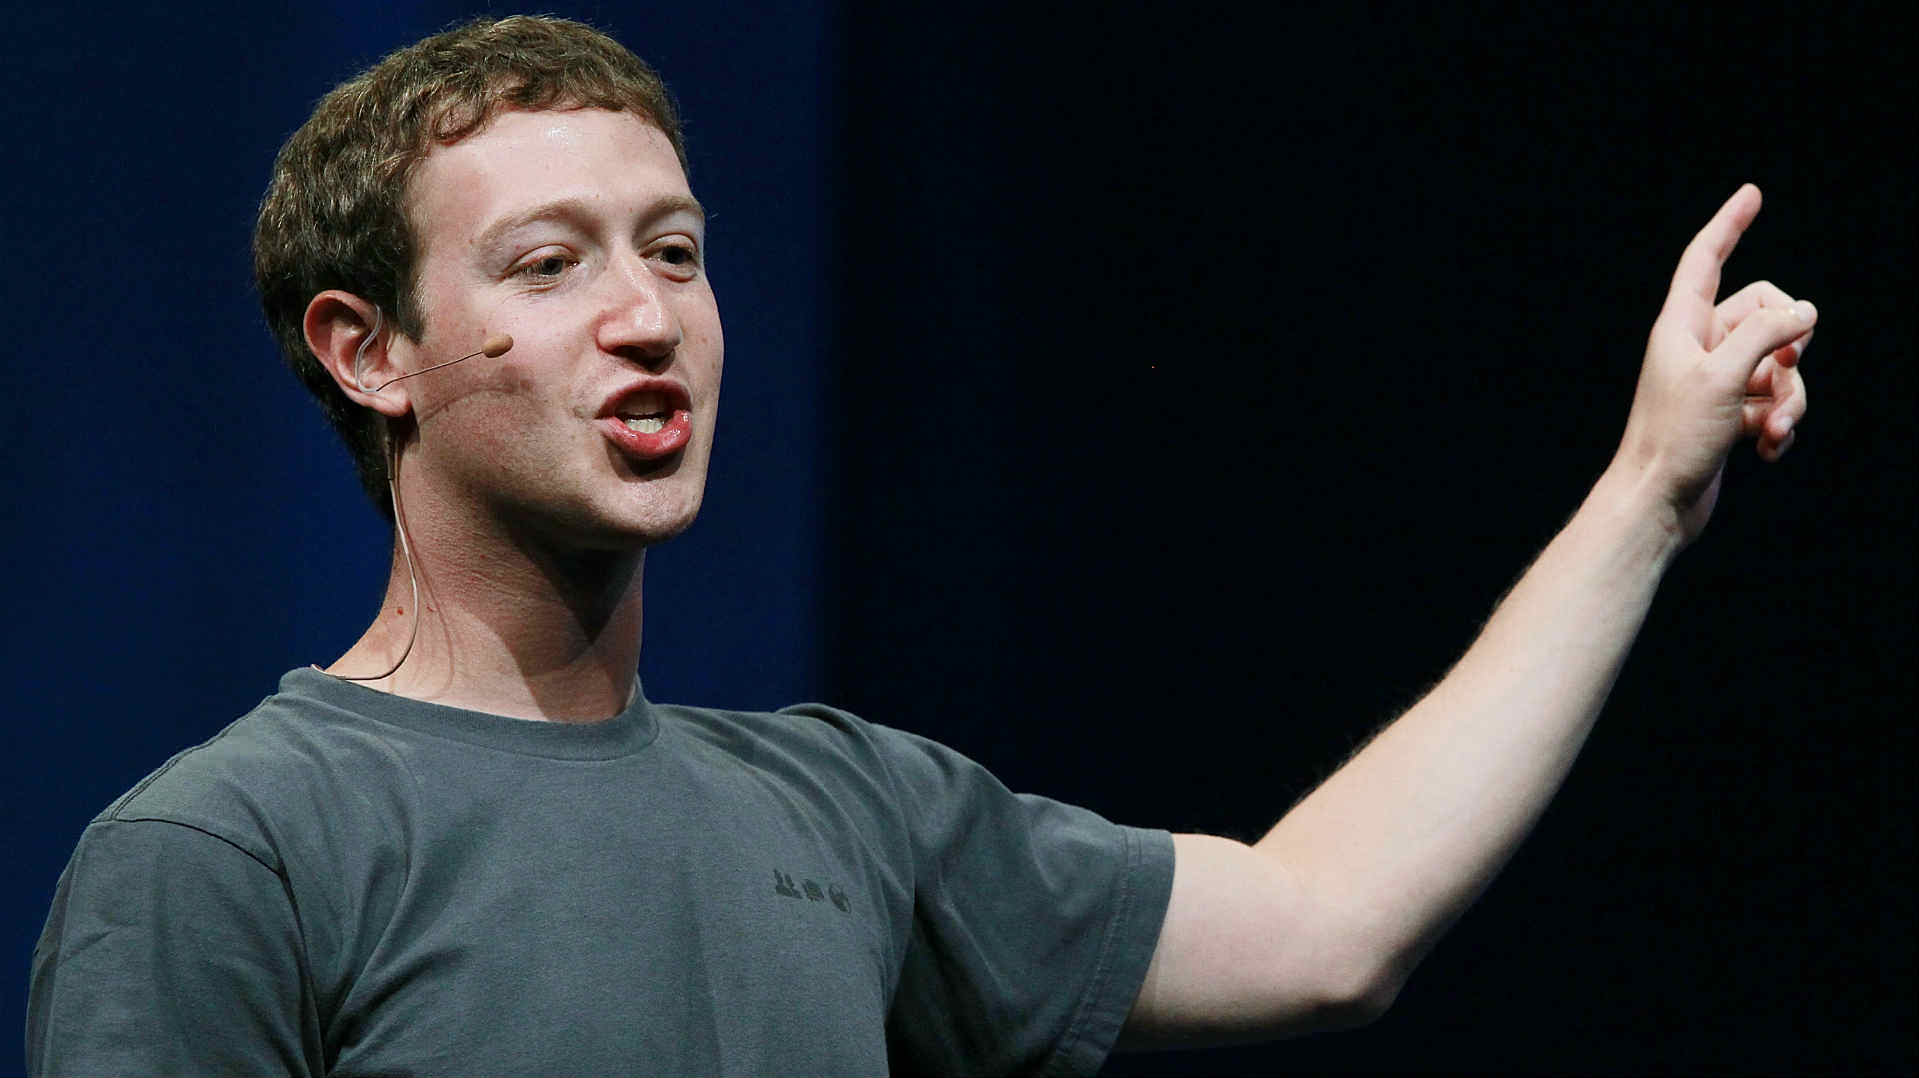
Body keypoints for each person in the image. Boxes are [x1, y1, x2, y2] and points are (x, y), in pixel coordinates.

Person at [25, 14, 1815, 1076]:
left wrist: (1649, 491)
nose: (649, 317)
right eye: (550, 264)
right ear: (370, 351)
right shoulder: (230, 849)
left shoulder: (844, 809)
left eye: (676, 250)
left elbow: (1326, 920)